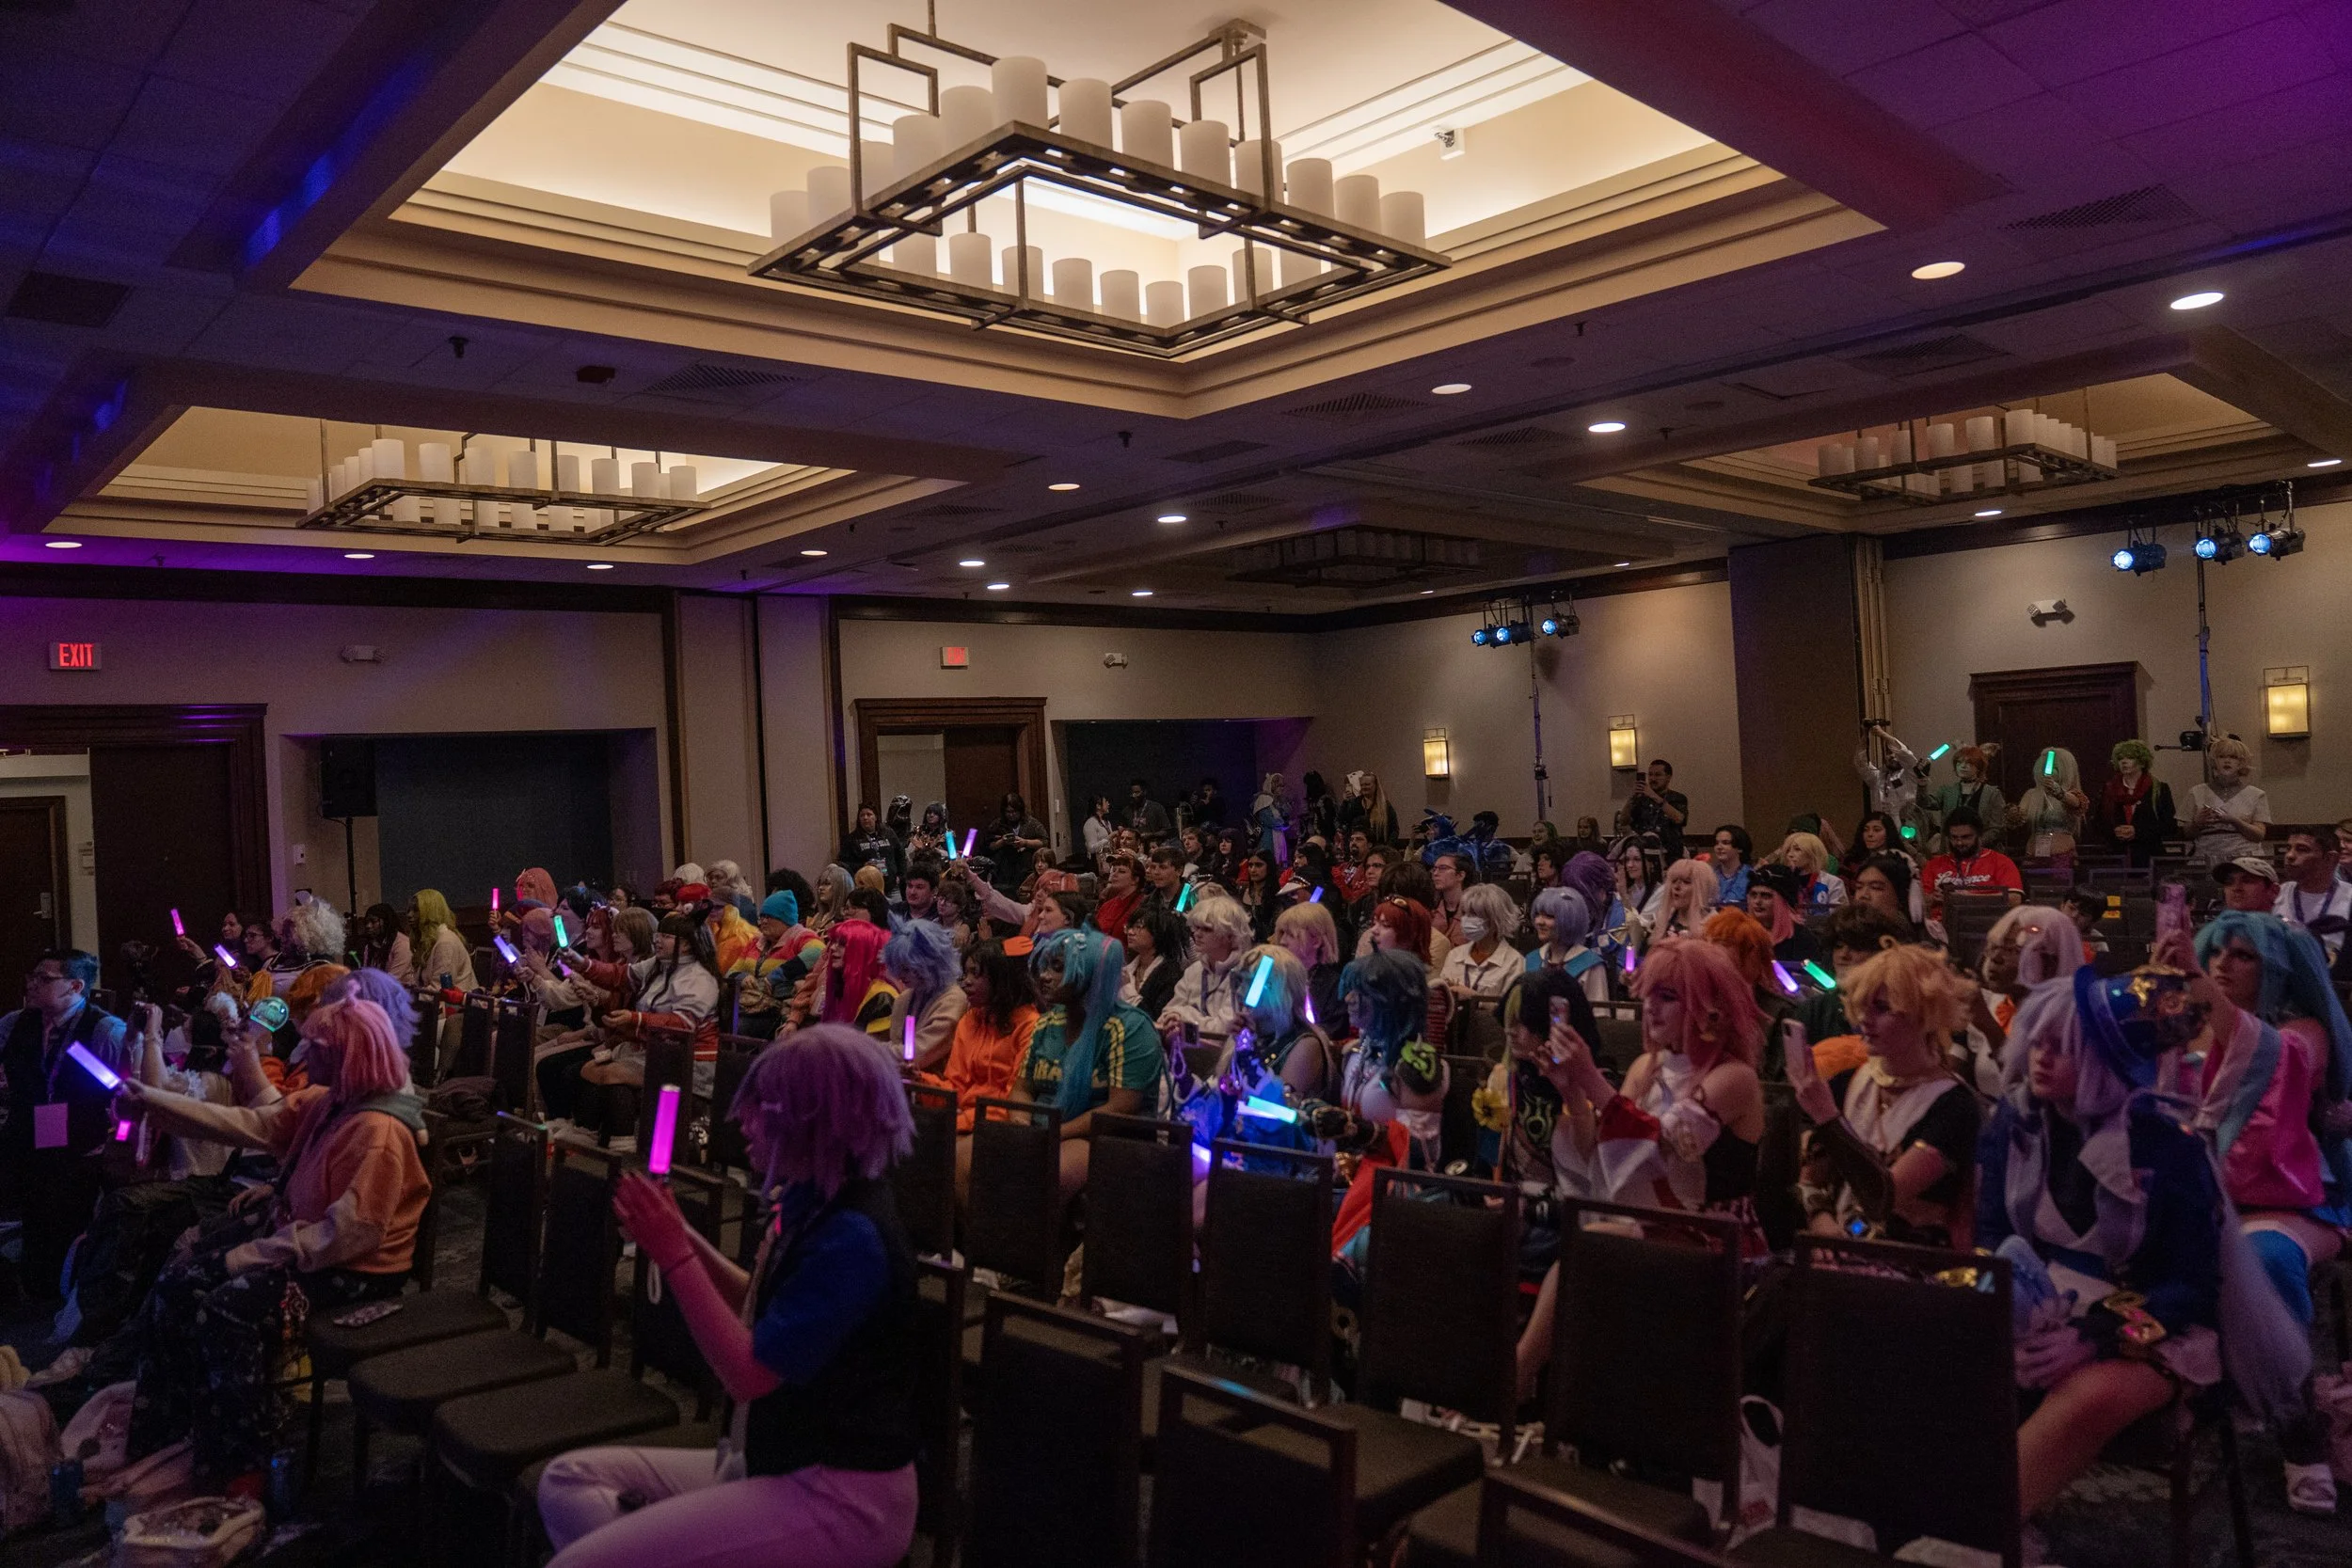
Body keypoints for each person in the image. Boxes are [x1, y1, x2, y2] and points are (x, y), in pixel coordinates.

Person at [539, 1026, 920, 1568]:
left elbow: (748, 1375)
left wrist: (675, 1256)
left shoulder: (853, 1235)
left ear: (809, 1117)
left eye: (760, 1106)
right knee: (568, 1483)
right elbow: (757, 1300)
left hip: (841, 1493)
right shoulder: (816, 1198)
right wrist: (679, 1233)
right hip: (772, 1457)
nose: (740, 1119)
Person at [117, 997, 427, 1476]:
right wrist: (154, 1102)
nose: (305, 1051)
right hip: (311, 1243)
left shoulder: (378, 1130)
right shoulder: (333, 1100)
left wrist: (249, 1255)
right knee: (181, 1278)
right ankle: (172, 1428)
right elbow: (256, 1124)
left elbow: (347, 1237)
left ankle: (240, 1462)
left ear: (347, 1056)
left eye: (317, 1045)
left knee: (222, 1307)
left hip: (355, 1272)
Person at [1976, 974, 2227, 1528]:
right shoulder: (2015, 1125)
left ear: (2109, 1058)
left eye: (2063, 1046)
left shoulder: (2167, 1148)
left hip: (2152, 1326)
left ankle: (1979, 1540)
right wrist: (2016, 1315)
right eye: (2037, 1041)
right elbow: (1991, 1238)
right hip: (2041, 1307)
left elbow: (2190, 1288)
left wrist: (2094, 1338)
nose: (2041, 1058)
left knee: (2086, 1395)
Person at [1511, 942, 1762, 1396]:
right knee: (1585, 1243)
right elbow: (1605, 1160)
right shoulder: (1647, 1067)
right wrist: (1571, 1092)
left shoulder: (1735, 1077)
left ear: (1708, 1008)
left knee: (1587, 1248)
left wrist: (1590, 1078)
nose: (1650, 1006)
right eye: (1648, 993)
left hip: (1716, 1236)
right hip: (1649, 1222)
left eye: (1668, 996)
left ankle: (1519, 1375)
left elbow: (1662, 1149)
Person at [2175, 911, 2352, 1513]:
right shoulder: (2189, 1024)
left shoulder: (2303, 1031)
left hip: (2292, 1198)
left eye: (2243, 956)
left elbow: (2266, 1054)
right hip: (2194, 1193)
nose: (2223, 964)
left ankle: (2300, 1439)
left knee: (2263, 1261)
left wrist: (2194, 980)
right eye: (2216, 952)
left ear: (2275, 968)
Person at [1785, 942, 1981, 1246]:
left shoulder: (1955, 1105)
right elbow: (1809, 1183)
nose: (1865, 1018)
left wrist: (1827, 1116)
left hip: (1912, 1269)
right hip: (1835, 1253)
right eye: (1863, 1005)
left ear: (1922, 1016)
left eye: (1882, 1008)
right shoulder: (1849, 1081)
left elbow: (1883, 1199)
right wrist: (1825, 1228)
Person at [2, 950, 132, 1297]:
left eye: (44, 979)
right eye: (32, 976)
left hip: (81, 1147)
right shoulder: (15, 1024)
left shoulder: (105, 1029)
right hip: (25, 1140)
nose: (32, 984)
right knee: (33, 1218)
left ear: (75, 986)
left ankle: (66, 1295)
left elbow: (125, 1092)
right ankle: (33, 1289)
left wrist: (119, 1139)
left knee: (68, 1221)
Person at [1010, 927, 1167, 1204]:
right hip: (1043, 1131)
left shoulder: (1130, 1028)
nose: (1044, 976)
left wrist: (1053, 1132)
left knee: (1036, 1175)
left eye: (1057, 968)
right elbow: (1022, 1089)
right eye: (1045, 966)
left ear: (1089, 972)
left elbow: (1121, 1109)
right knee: (967, 1163)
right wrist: (1021, 1123)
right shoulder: (1048, 1022)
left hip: (1107, 1139)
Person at [1159, 892, 1251, 1044]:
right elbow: (1167, 1015)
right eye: (1196, 928)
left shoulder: (1245, 974)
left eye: (1207, 929)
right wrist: (1181, 1017)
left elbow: (1225, 1030)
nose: (1197, 934)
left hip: (1226, 1059)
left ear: (1230, 935)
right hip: (1187, 1054)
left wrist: (1184, 1015)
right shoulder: (1193, 970)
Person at [882, 921, 964, 1073]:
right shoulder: (905, 998)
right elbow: (905, 1054)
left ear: (930, 963)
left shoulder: (953, 1000)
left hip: (936, 1090)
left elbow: (917, 1055)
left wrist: (868, 1049)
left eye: (907, 968)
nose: (900, 976)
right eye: (898, 967)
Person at [1918, 806, 2023, 924]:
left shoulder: (2000, 862)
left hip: (1985, 927)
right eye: (1954, 837)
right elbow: (1919, 902)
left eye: (1966, 837)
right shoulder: (1934, 864)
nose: (1959, 843)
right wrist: (1933, 898)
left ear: (1979, 835)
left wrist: (1967, 898)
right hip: (1940, 928)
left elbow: (2014, 900)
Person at [2185, 736, 2268, 868]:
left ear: (2241, 763)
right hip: (2206, 859)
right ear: (2214, 761)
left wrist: (2234, 821)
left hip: (2245, 859)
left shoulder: (2256, 794)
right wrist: (2197, 823)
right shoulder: (2196, 792)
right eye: (2222, 757)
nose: (2227, 761)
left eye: (2233, 757)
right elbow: (2187, 834)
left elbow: (2259, 835)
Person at [2274, 829, 2352, 959]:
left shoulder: (2349, 897)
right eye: (2288, 848)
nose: (2290, 855)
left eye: (2302, 849)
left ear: (2330, 858)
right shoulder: (2275, 894)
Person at [1272, 900, 1345, 1038]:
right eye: (1282, 933)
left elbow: (1330, 1036)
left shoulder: (1335, 986)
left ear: (1316, 941)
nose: (1282, 941)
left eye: (1291, 935)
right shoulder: (1270, 977)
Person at [818, 920, 898, 1044]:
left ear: (862, 950)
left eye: (842, 944)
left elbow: (870, 1054)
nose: (833, 947)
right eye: (834, 942)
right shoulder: (840, 986)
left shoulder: (883, 998)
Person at [2098, 740, 2174, 867]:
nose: (2124, 761)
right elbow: (2098, 823)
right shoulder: (2108, 789)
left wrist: (2137, 832)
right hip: (2116, 859)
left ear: (2142, 762)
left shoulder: (2159, 789)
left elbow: (2170, 826)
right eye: (2120, 758)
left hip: (2149, 858)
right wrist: (2114, 831)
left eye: (2130, 757)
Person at [1525, 887, 1607, 1002]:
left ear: (1569, 920)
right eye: (1537, 914)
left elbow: (1600, 1017)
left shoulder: (1591, 966)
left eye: (1549, 916)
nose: (1539, 922)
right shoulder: (1531, 960)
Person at [2012, 746, 2089, 867]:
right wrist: (2013, 815)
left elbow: (2076, 803)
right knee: (2034, 885)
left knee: (2062, 886)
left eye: (2056, 768)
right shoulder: (2031, 794)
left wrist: (2059, 792)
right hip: (2033, 856)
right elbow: (2019, 816)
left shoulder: (2073, 794)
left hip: (2062, 857)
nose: (2049, 772)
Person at [1927, 744, 2008, 852]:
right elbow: (1926, 803)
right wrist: (1921, 783)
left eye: (1969, 763)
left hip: (1983, 853)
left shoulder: (1992, 793)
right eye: (1959, 763)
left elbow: (1997, 828)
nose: (1963, 766)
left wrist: (1975, 843)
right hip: (1952, 852)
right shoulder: (1947, 791)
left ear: (1978, 767)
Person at [1745, 862, 1822, 970]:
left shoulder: (1802, 939)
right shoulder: (1741, 935)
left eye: (1766, 896)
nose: (1757, 901)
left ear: (1783, 902)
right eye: (1753, 895)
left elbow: (1813, 977)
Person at [1120, 904, 1190, 1023]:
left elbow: (1155, 1020)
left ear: (1157, 933)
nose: (1130, 932)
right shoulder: (1129, 969)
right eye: (1130, 927)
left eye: (1139, 927)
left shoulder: (1170, 974)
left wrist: (1126, 988)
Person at [403, 888, 477, 991]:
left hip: (457, 1006)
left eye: (416, 910)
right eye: (408, 910)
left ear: (430, 913)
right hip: (435, 1004)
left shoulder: (445, 943)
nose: (409, 915)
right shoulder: (428, 940)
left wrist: (405, 998)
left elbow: (440, 990)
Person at [1647, 856, 1721, 944]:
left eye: (1686, 882)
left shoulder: (1716, 927)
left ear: (1702, 888)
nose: (1676, 887)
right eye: (1673, 881)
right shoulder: (1661, 922)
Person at [1626, 758, 1689, 861]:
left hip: (1671, 853)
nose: (1653, 778)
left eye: (1658, 775)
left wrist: (1655, 797)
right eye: (1650, 775)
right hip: (1643, 852)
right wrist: (1631, 798)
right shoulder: (1641, 799)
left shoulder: (1678, 798)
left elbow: (1680, 819)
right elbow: (1623, 821)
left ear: (1668, 777)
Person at [1848, 853, 1920, 933]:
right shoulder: (1842, 936)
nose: (1864, 895)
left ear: (1900, 896)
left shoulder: (1912, 944)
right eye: (1859, 887)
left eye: (1875, 887)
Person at [1775, 832, 1845, 912]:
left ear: (1813, 853)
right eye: (1787, 851)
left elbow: (1839, 916)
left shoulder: (1832, 882)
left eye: (1797, 849)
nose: (1790, 854)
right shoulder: (1781, 882)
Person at [840, 803, 900, 888]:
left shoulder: (888, 834)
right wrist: (863, 865)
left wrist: (900, 876)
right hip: (868, 887)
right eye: (862, 815)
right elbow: (844, 863)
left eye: (869, 814)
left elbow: (900, 855)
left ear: (875, 817)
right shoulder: (852, 839)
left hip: (892, 885)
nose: (865, 818)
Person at [1338, 769, 1398, 846]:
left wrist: (1387, 848)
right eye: (1362, 785)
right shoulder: (1355, 803)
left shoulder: (1385, 805)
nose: (1364, 787)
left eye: (1367, 784)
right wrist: (1345, 802)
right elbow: (1342, 821)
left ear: (1375, 785)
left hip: (1379, 850)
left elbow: (1394, 830)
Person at [355, 903, 409, 977]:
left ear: (386, 922)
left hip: (401, 987)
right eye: (366, 922)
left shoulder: (402, 944)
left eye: (373, 921)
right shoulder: (370, 945)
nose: (368, 926)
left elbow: (391, 980)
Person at [2215, 853, 2280, 914]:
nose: (2236, 888)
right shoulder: (2218, 925)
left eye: (2247, 881)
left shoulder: (2284, 925)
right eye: (2229, 882)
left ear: (2274, 890)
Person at [1708, 825, 1753, 908]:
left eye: (1725, 843)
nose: (1719, 847)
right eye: (1717, 843)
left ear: (1740, 848)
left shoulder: (1750, 875)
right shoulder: (1709, 875)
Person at [1125, 778, 1172, 844]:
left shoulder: (1157, 808)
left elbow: (1166, 831)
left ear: (1144, 792)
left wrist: (1151, 835)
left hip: (1154, 846)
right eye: (1132, 793)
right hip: (1134, 847)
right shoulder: (1127, 810)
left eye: (1137, 792)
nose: (1134, 795)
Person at [1080, 795, 1114, 865]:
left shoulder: (1107, 822)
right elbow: (1091, 849)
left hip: (1107, 858)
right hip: (1096, 861)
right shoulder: (1091, 823)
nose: (1108, 804)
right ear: (1098, 806)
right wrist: (1108, 838)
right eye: (1105, 802)